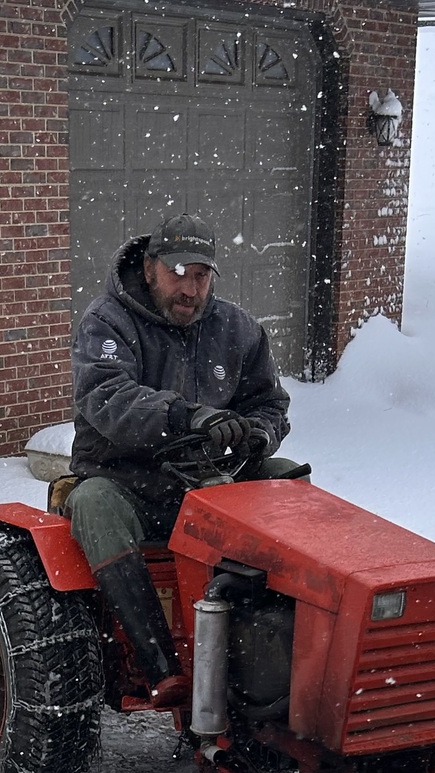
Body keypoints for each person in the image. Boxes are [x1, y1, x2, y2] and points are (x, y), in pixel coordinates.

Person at [67, 213, 301, 707]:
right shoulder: (107, 322)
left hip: (207, 480)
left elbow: (269, 402)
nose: (190, 289)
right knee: (93, 503)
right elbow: (107, 397)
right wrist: (185, 416)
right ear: (149, 267)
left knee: (285, 481)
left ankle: (282, 652)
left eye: (201, 275)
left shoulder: (236, 328)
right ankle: (162, 665)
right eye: (178, 273)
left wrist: (258, 434)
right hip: (125, 483)